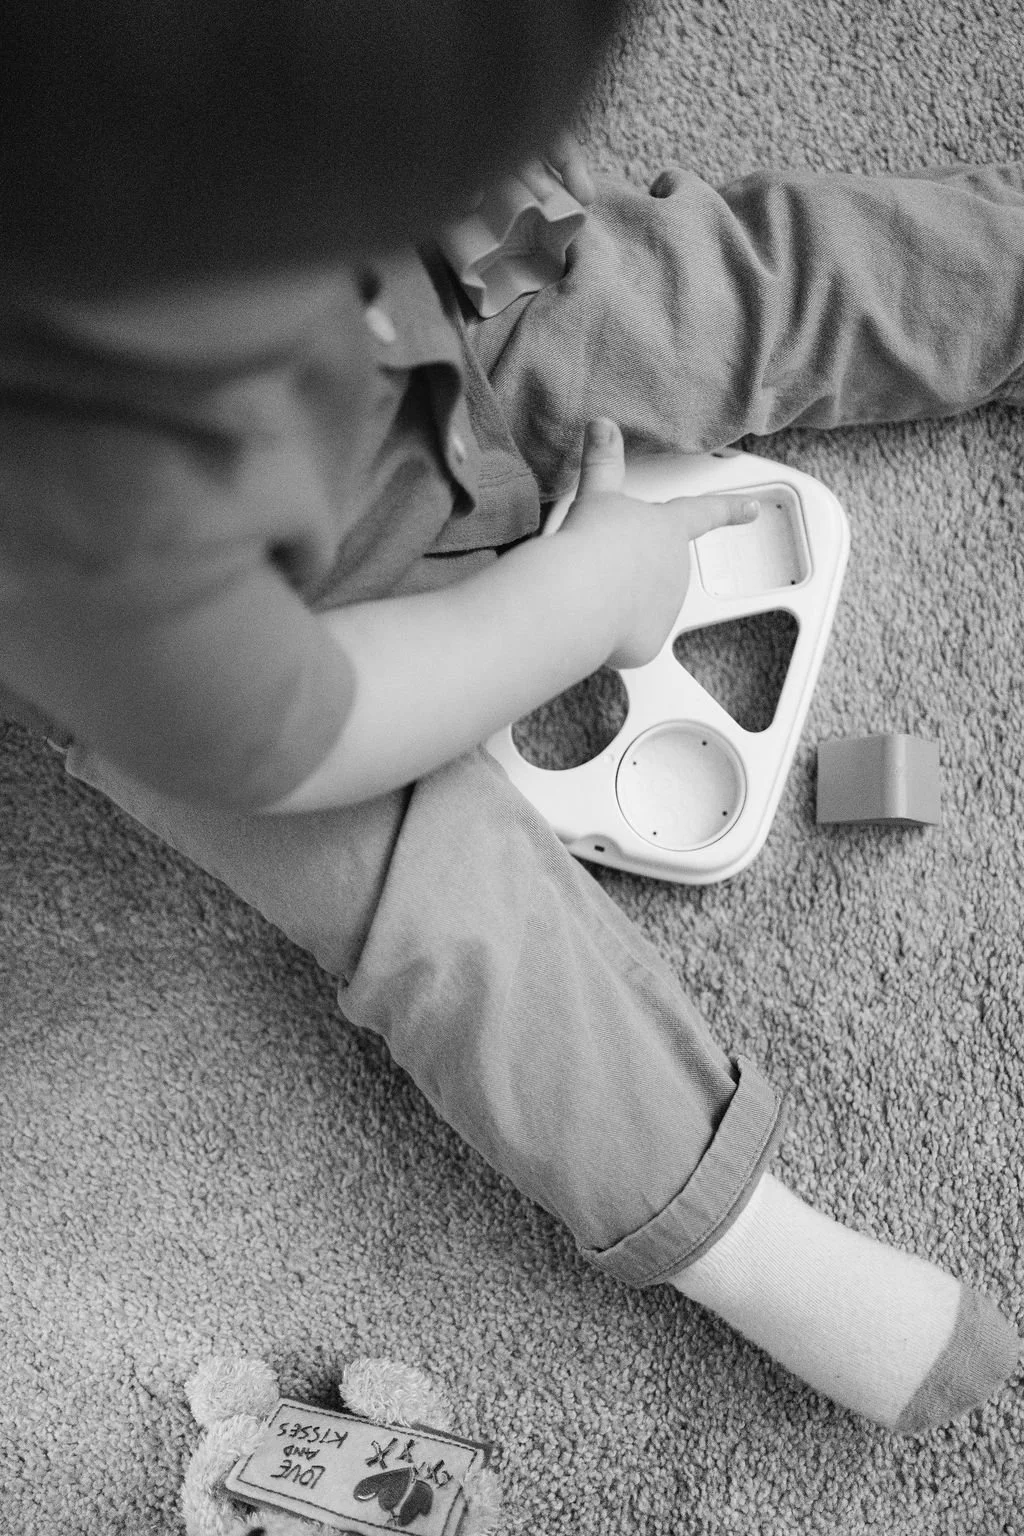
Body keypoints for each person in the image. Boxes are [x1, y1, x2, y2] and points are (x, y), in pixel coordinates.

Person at [2, 0, 1022, 1436]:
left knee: (728, 282)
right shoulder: (74, 510)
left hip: (450, 324)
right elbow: (300, 734)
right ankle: (740, 1235)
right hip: (261, 663)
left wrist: (461, 211)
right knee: (444, 918)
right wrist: (582, 597)